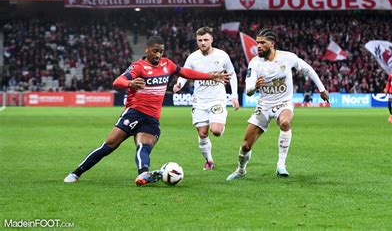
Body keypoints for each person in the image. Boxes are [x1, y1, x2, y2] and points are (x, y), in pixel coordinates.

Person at [64, 36, 229, 186]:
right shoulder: (138, 67)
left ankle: (143, 175)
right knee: (109, 146)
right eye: (155, 51)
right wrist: (130, 84)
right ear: (147, 50)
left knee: (143, 146)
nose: (158, 55)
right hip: (134, 113)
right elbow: (117, 81)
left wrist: (210, 76)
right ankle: (76, 173)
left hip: (152, 119)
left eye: (161, 51)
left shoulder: (167, 64)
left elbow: (185, 72)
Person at [226, 28, 329, 180]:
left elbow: (308, 69)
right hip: (264, 106)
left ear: (272, 44)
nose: (258, 46)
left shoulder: (287, 58)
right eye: (257, 43)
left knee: (285, 123)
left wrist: (322, 89)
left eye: (262, 43)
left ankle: (281, 164)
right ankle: (241, 170)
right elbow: (248, 90)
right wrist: (255, 86)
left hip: (283, 103)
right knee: (246, 146)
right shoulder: (254, 63)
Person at [173, 27, 239, 170]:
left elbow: (232, 74)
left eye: (205, 40)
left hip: (217, 99)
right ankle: (209, 161)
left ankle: (220, 122)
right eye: (200, 40)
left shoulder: (222, 55)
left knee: (216, 131)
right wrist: (179, 84)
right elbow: (184, 73)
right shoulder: (192, 57)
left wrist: (234, 96)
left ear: (212, 40)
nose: (203, 43)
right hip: (199, 101)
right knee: (203, 133)